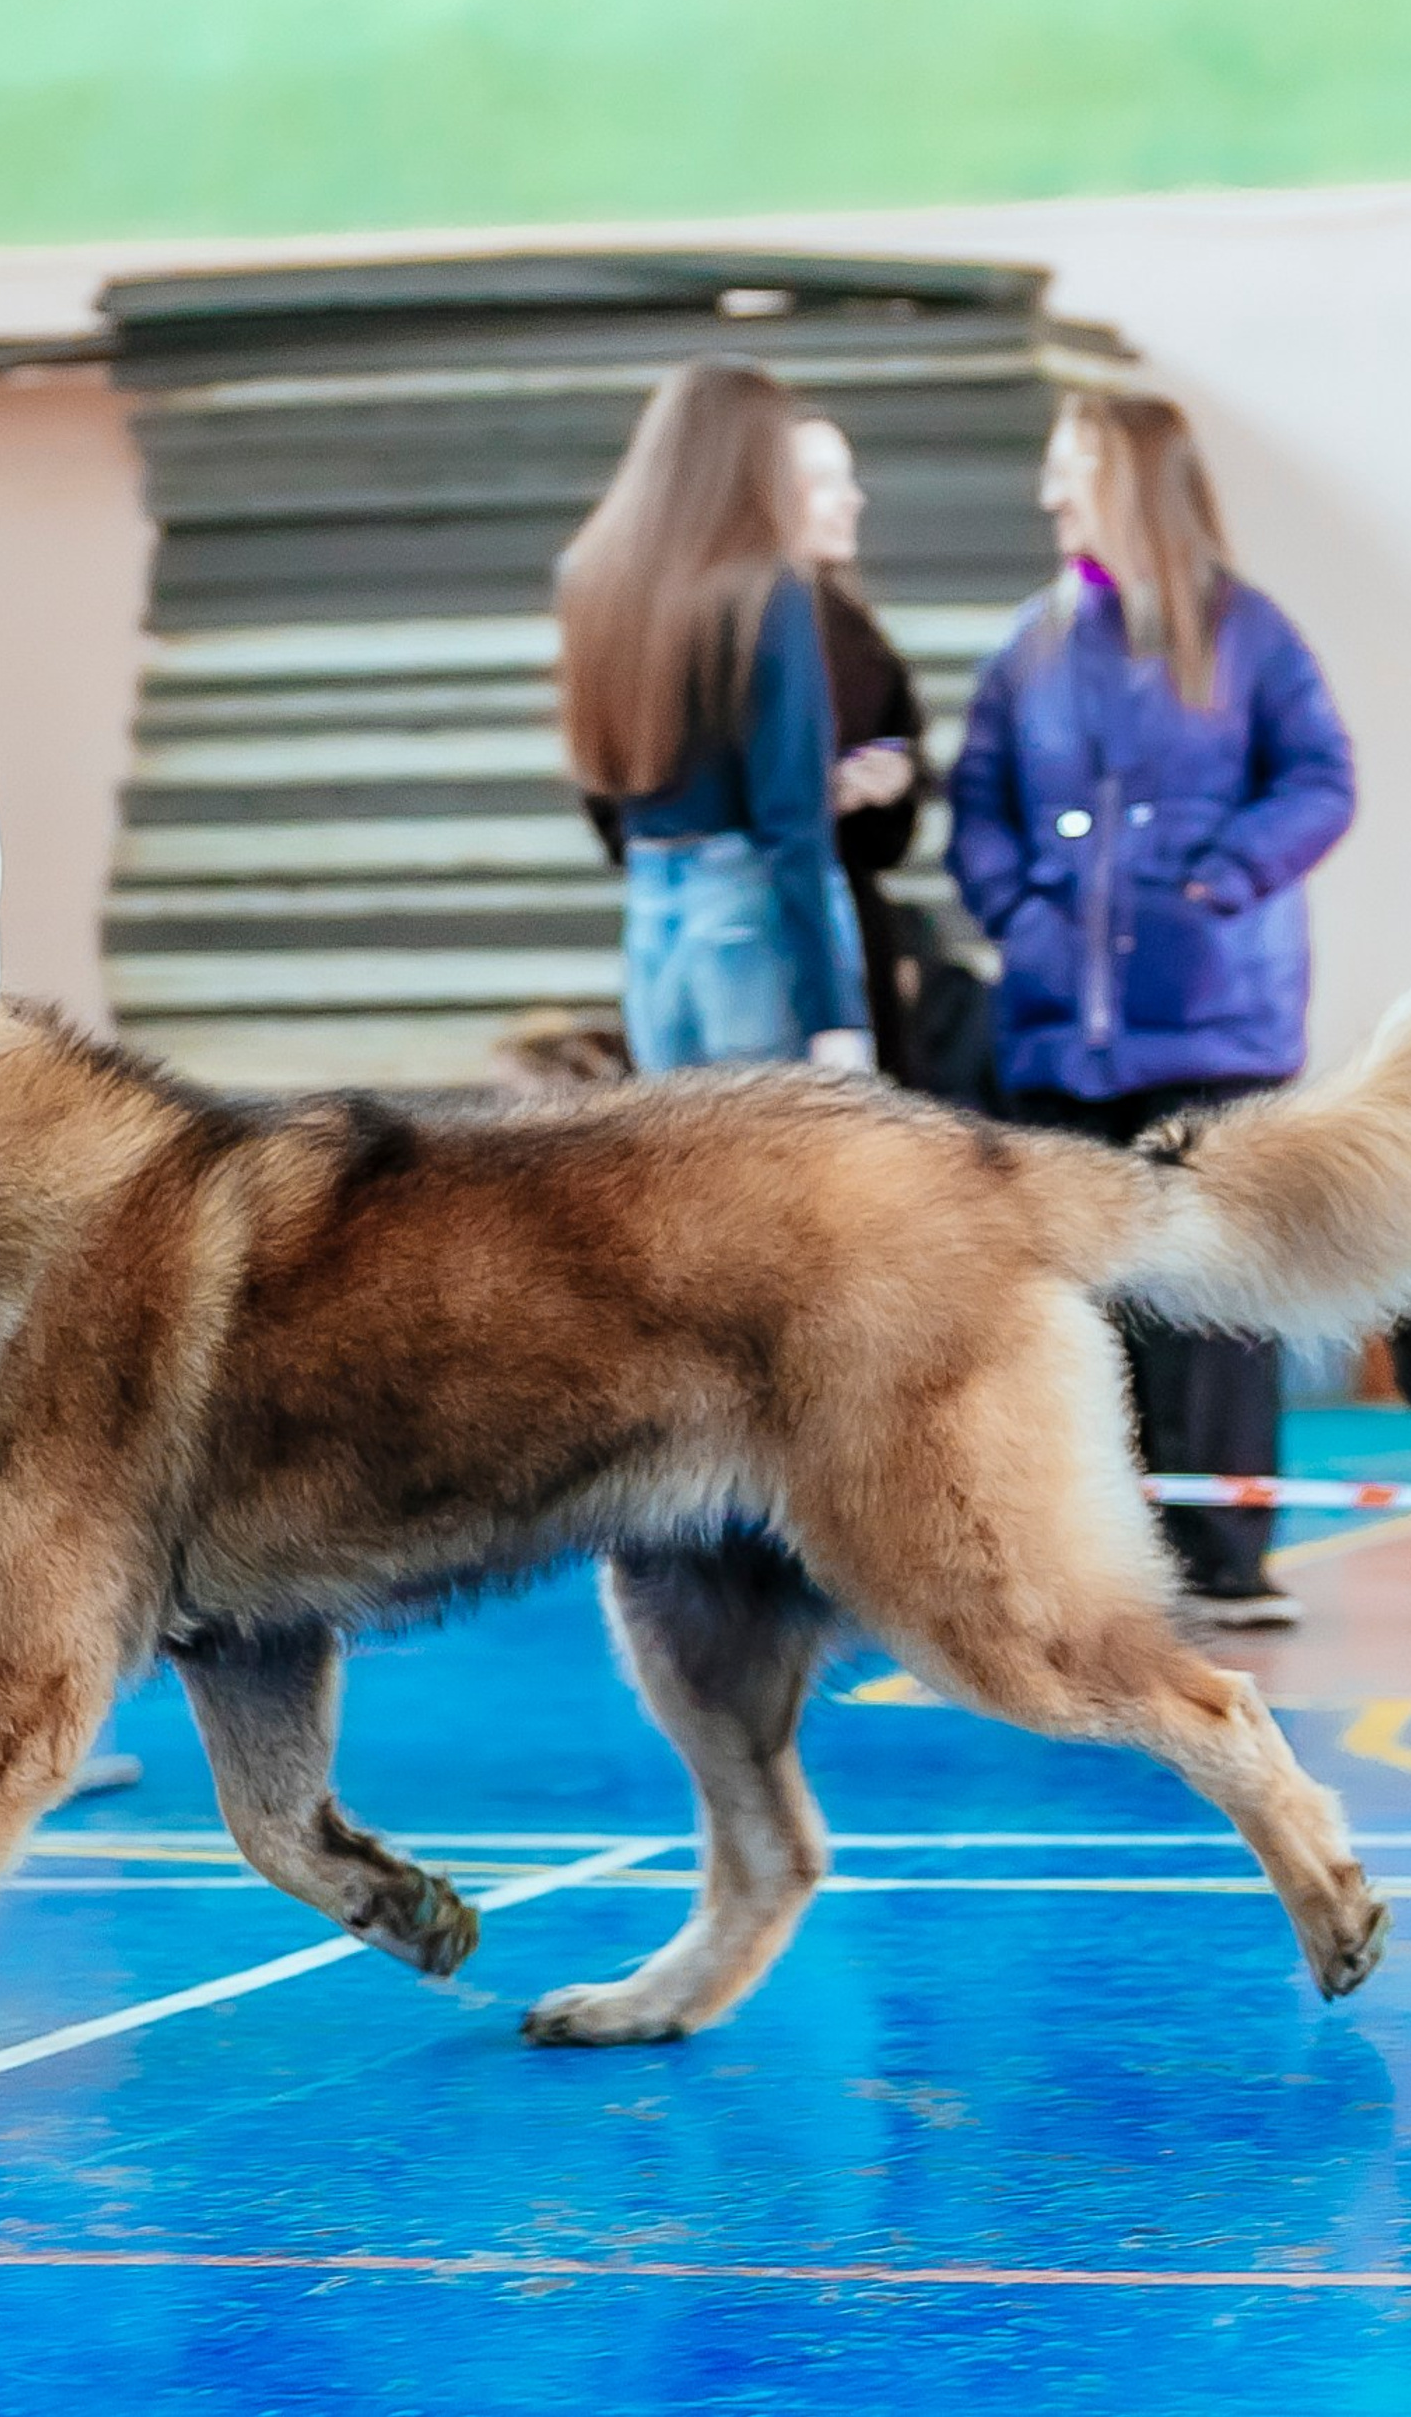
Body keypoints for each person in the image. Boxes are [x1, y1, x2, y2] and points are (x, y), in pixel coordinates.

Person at [949, 390, 1355, 1629]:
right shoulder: (1030, 644)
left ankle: (1224, 1557)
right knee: (1085, 1302)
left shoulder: (1248, 634)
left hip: (1213, 1028)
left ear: (1130, 479)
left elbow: (1319, 780)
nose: (1049, 491)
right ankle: (1097, 1554)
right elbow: (978, 807)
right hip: (1059, 1036)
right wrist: (1021, 919)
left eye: (1068, 467)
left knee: (1217, 1291)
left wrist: (1219, 878)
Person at [560, 360, 868, 1073]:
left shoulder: (591, 581)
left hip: (651, 918)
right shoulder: (767, 590)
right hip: (751, 915)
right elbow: (792, 818)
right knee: (783, 1175)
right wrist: (835, 1016)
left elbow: (595, 771)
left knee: (683, 1170)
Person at [790, 414, 924, 1081]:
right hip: (786, 932)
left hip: (855, 917)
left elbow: (889, 836)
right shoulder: (737, 631)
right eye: (824, 483)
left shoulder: (856, 633)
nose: (853, 499)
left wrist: (897, 779)